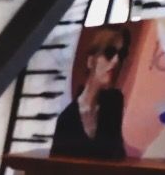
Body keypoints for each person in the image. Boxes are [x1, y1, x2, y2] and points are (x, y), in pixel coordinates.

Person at [52, 26, 130, 159]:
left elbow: (119, 156)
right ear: (90, 61)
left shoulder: (113, 103)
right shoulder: (67, 118)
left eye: (121, 55)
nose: (116, 61)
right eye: (109, 53)